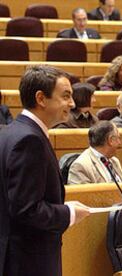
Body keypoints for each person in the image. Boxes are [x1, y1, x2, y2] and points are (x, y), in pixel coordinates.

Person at [0, 65, 90, 276]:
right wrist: (69, 213)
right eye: (66, 96)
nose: (73, 103)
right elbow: (26, 210)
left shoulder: (9, 132)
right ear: (41, 98)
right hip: (28, 262)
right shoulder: (30, 140)